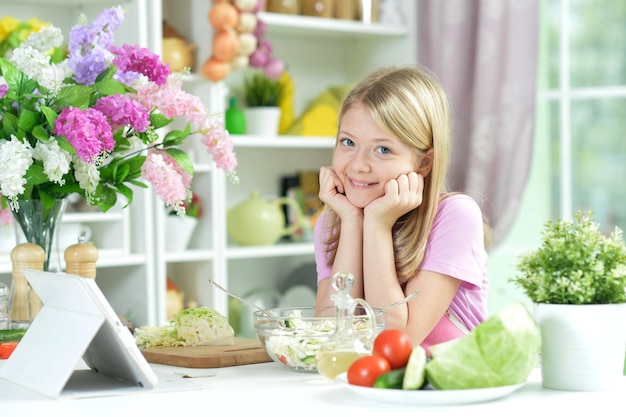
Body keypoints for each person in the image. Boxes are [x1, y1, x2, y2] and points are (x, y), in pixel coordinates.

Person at [313, 65, 490, 352]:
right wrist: (351, 222)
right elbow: (330, 332)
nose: (358, 165)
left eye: (383, 149)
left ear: (423, 163)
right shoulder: (333, 222)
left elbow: (395, 341)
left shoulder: (455, 216)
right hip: (369, 387)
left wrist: (377, 225)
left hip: (446, 389)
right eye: (348, 142)